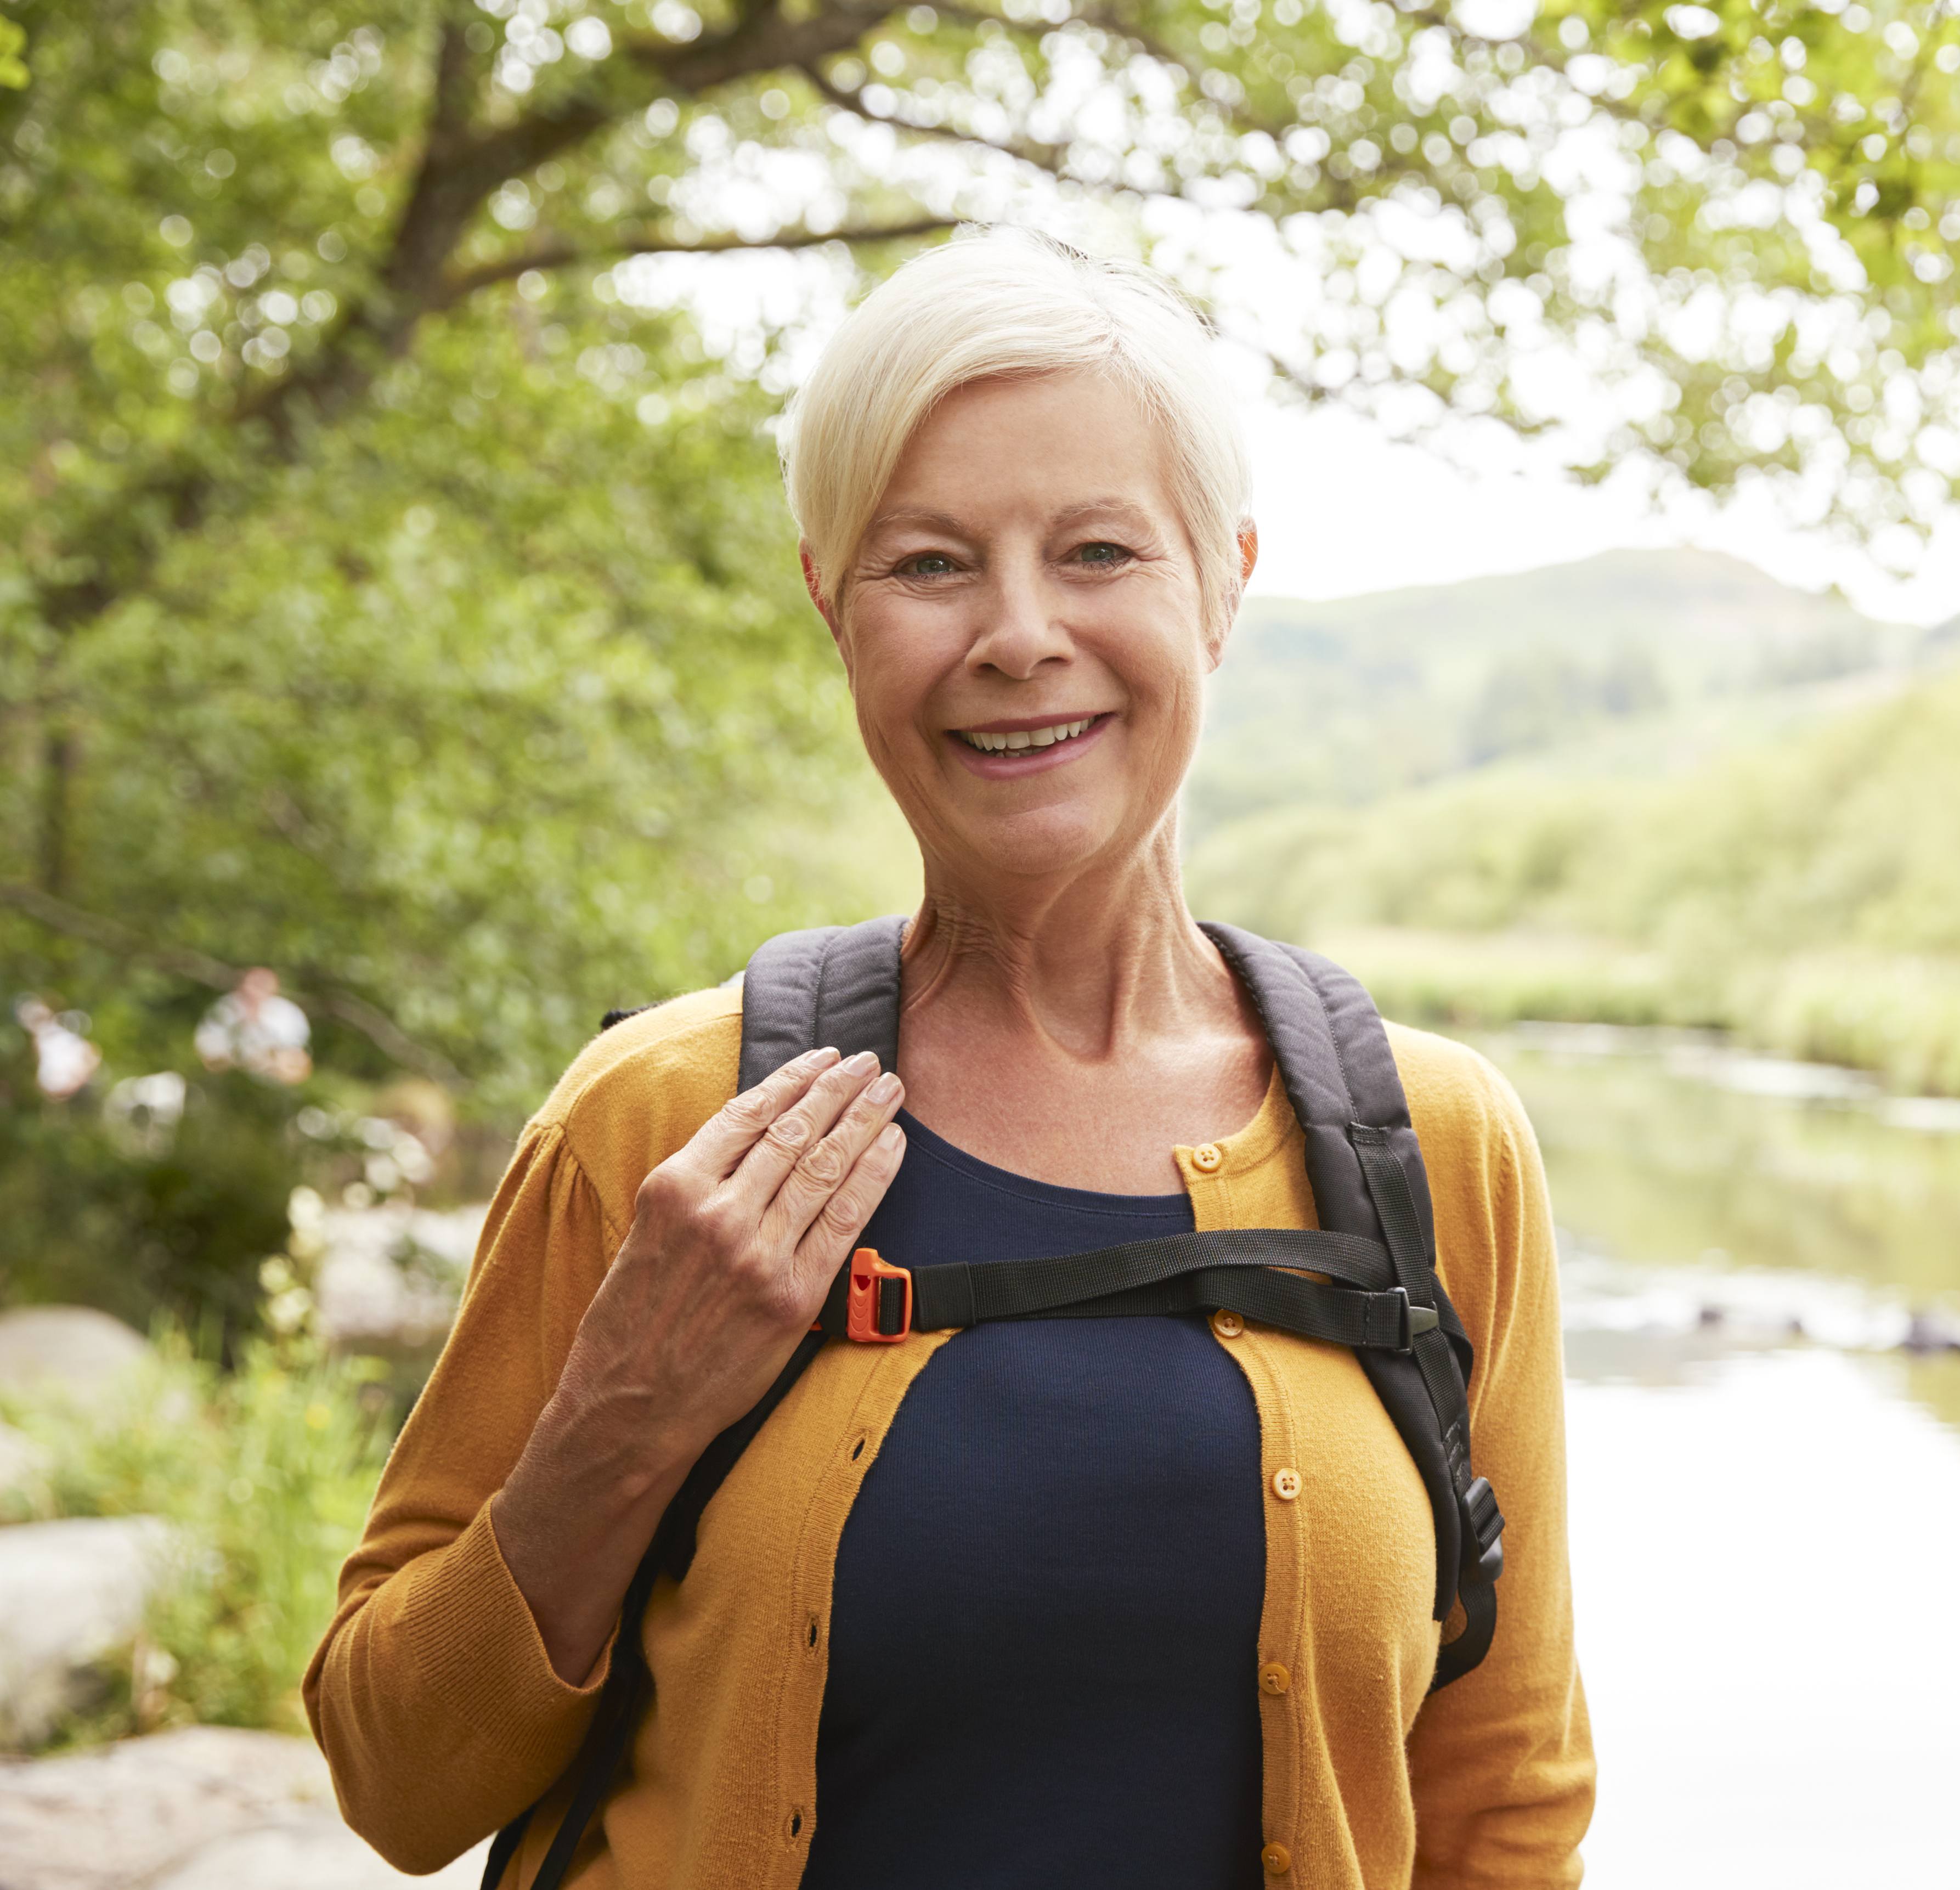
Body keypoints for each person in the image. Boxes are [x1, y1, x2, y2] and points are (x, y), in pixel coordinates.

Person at [303, 230, 1594, 1888]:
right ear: (832, 609)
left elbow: (1508, 1809)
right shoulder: (665, 1124)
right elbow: (393, 1780)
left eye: (1100, 549)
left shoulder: (1436, 1147)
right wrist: (622, 1422)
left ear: (1223, 584)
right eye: (928, 565)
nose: (1018, 633)